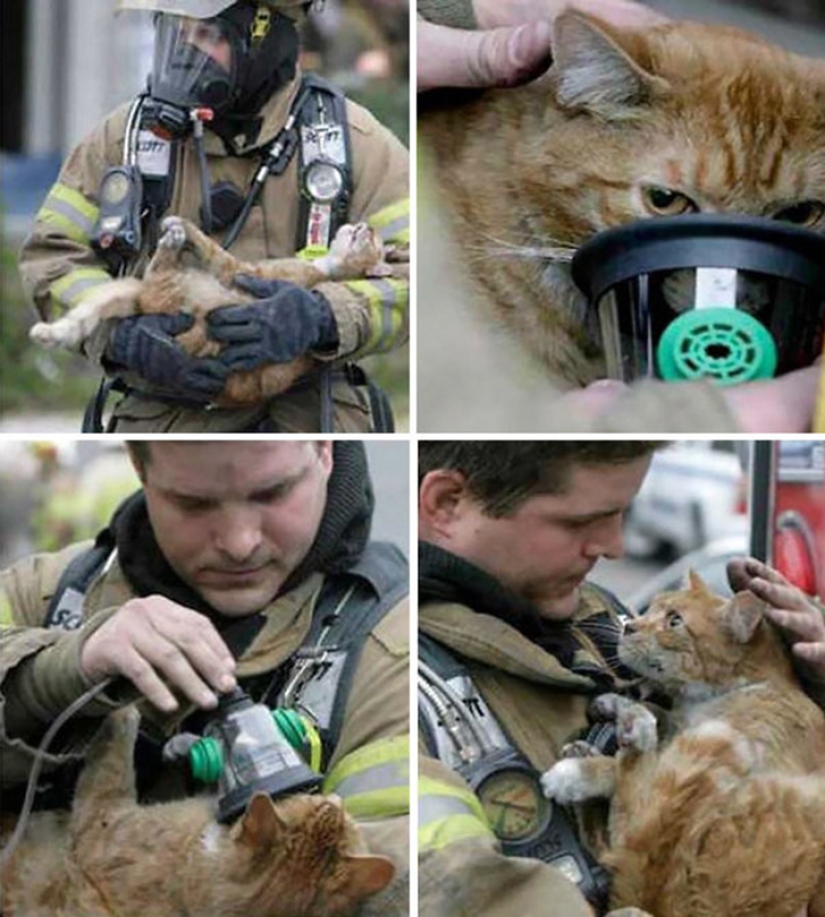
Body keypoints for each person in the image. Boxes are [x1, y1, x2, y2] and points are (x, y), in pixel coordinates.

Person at [417, 441, 825, 917]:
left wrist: (801, 688)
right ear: (447, 503)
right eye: (578, 522)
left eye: (621, 515)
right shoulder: (414, 689)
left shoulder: (601, 620)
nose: (615, 547)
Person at [0, 440, 410, 910]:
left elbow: (404, 871)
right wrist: (61, 671)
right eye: (193, 503)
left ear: (323, 451)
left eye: (273, 492)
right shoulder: (44, 594)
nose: (240, 543)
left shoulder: (393, 644)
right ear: (139, 467)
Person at [416, 0, 823, 434]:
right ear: (589, 106)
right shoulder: (454, 239)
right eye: (667, 201)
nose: (735, 283)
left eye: (797, 212)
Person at [20, 0, 409, 434]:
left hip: (311, 424)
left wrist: (320, 316)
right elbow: (52, 257)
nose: (186, 49)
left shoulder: (352, 143)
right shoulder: (122, 139)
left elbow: (417, 280)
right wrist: (121, 336)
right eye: (175, 29)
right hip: (166, 429)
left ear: (266, 39)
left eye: (208, 34)